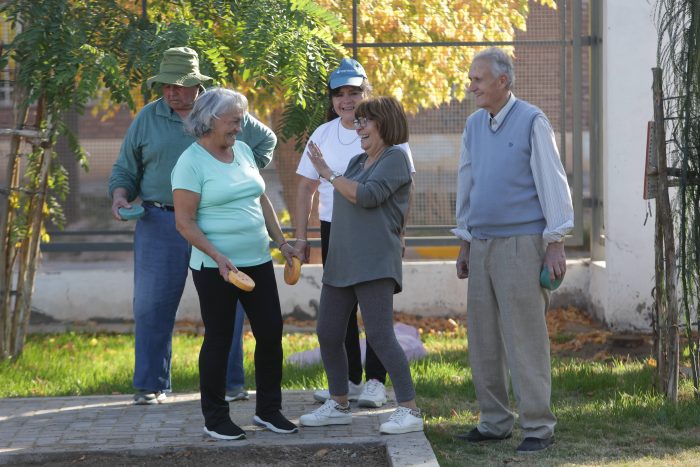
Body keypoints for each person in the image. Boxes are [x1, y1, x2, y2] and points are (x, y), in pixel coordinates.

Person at [108, 46, 275, 405]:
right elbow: (125, 168)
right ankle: (152, 384)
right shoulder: (147, 118)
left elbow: (265, 139)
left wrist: (236, 178)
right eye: (165, 85)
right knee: (151, 305)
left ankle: (231, 385)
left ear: (197, 86)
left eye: (179, 85)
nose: (171, 92)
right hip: (159, 221)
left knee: (225, 307)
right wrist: (121, 196)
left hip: (214, 222)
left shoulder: (221, 112)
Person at [452, 47, 574, 453]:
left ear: (503, 81)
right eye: (471, 79)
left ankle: (538, 425)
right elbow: (467, 182)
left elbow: (552, 182)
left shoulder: (532, 121)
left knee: (525, 337)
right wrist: (465, 240)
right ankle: (494, 421)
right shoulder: (472, 125)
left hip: (523, 245)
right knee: (483, 338)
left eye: (477, 80)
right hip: (482, 242)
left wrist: (554, 243)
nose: (471, 87)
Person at [171, 87, 299, 440]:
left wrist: (282, 242)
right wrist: (217, 256)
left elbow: (261, 200)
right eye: (234, 121)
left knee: (272, 332)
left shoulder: (242, 151)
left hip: (257, 260)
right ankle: (215, 418)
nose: (239, 128)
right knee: (220, 338)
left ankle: (269, 411)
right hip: (216, 268)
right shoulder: (190, 162)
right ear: (211, 121)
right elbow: (184, 222)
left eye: (240, 120)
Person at [294, 58, 415, 408]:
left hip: (375, 241)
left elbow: (369, 196)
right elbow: (309, 188)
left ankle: (394, 395)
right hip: (341, 238)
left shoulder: (393, 155)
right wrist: (303, 240)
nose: (347, 102)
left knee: (378, 330)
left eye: (354, 93)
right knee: (331, 329)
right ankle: (342, 395)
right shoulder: (349, 155)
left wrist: (329, 175)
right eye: (339, 94)